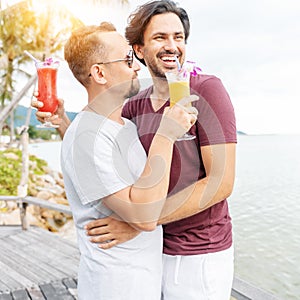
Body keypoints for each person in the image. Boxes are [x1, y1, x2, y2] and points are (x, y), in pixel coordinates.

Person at [33, 1, 237, 299]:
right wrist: (65, 122)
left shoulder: (206, 90)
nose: (172, 46)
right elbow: (98, 151)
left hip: (196, 253)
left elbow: (222, 182)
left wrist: (141, 223)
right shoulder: (134, 106)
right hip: (150, 257)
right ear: (139, 50)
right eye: (160, 38)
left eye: (178, 37)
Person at [59, 22, 197, 300]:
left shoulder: (126, 126)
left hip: (141, 281)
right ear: (99, 73)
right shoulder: (86, 136)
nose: (136, 67)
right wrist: (166, 135)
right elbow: (145, 217)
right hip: (113, 287)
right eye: (126, 59)